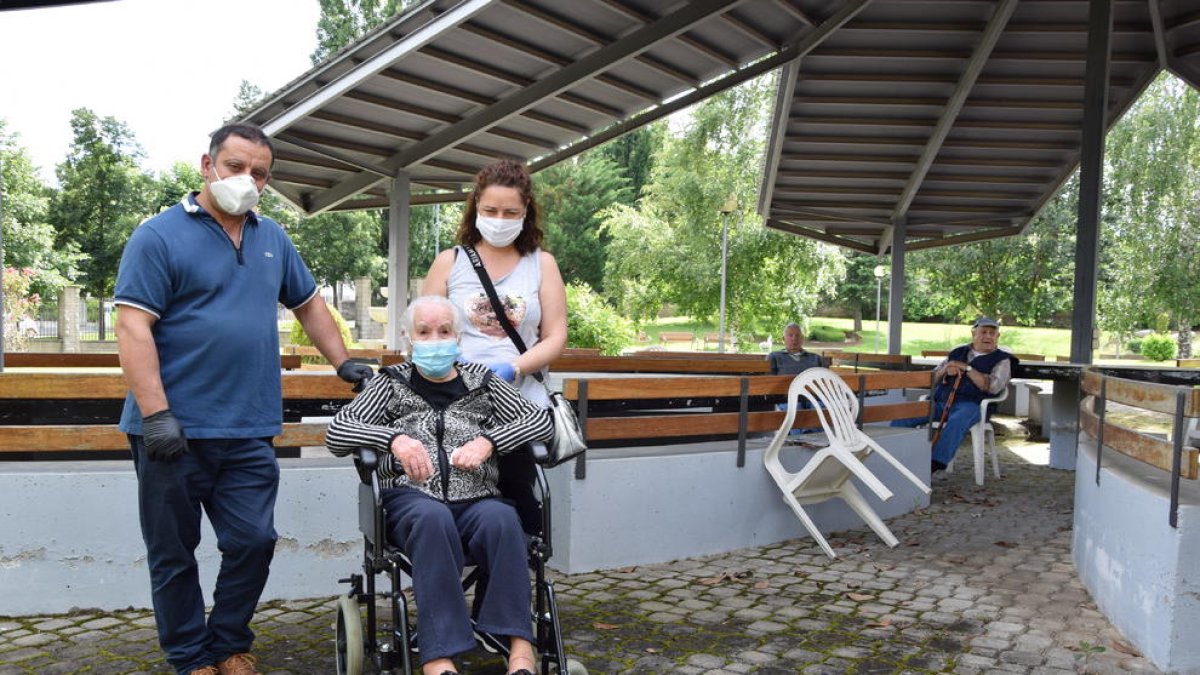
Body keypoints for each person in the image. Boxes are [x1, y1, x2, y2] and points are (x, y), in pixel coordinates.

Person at [114, 123, 374, 675]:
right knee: (173, 553)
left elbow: (308, 303)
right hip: (172, 429)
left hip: (248, 427)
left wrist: (341, 360)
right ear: (207, 165)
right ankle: (190, 657)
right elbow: (133, 326)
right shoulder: (158, 236)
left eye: (259, 173)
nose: (246, 179)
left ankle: (228, 643)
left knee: (254, 541)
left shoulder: (271, 237)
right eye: (235, 166)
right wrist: (157, 414)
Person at [325, 295, 553, 675]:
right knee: (433, 519)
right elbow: (337, 433)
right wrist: (393, 439)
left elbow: (540, 422)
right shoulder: (389, 383)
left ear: (458, 337)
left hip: (477, 498)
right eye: (424, 332)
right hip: (410, 499)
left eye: (444, 331)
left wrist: (490, 441)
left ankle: (519, 647)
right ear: (408, 339)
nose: (435, 340)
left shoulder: (483, 382)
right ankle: (438, 657)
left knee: (502, 520)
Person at [421, 159, 567, 407]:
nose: (499, 220)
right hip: (457, 400)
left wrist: (515, 368)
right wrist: (448, 365)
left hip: (525, 405)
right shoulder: (449, 262)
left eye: (510, 212)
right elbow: (422, 329)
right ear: (477, 205)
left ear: (526, 209)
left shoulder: (542, 264)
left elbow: (556, 336)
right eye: (490, 211)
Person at [892, 317, 1018, 473]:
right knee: (904, 414)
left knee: (959, 418)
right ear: (974, 333)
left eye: (992, 333)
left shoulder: (1003, 359)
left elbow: (993, 387)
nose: (988, 336)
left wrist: (966, 368)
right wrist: (945, 369)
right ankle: (894, 457)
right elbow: (930, 381)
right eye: (983, 332)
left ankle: (934, 464)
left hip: (972, 405)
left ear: (997, 336)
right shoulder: (957, 352)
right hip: (941, 402)